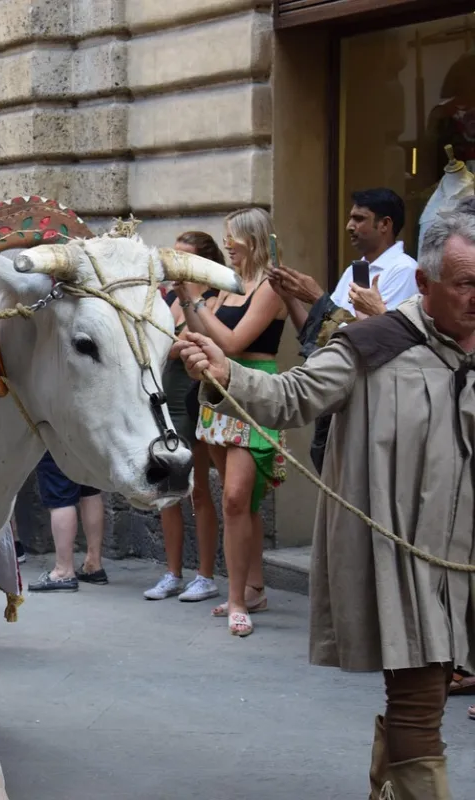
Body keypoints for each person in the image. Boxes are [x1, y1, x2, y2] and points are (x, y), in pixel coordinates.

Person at [175, 196, 475, 798]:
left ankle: (384, 785)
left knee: (435, 692)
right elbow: (293, 396)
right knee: (420, 706)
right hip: (411, 558)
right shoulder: (374, 343)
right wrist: (228, 373)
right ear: (424, 280)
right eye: (466, 283)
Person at [172, 208, 288, 637]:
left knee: (236, 498)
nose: (226, 247)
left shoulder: (270, 285)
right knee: (241, 502)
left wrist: (198, 301)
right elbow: (199, 331)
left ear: (252, 240)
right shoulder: (227, 286)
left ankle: (238, 599)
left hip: (254, 388)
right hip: (217, 393)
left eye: (231, 239)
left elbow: (235, 341)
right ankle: (253, 587)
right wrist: (187, 296)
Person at [271, 188, 420, 472]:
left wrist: (317, 298)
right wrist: (289, 297)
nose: (350, 226)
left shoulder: (404, 270)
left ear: (385, 224)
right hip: (334, 398)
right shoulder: (356, 270)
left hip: (370, 402)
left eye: (359, 218)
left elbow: (374, 339)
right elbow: (321, 337)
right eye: (351, 218)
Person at [145, 231, 222, 603]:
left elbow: (198, 342)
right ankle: (172, 572)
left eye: (182, 257)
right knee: (168, 489)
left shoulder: (210, 297)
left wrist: (168, 345)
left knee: (200, 491)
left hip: (193, 399)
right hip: (164, 399)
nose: (173, 263)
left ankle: (205, 575)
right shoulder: (170, 297)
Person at [27, 451, 107, 591]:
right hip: (87, 435)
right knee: (90, 490)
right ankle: (93, 564)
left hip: (59, 435)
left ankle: (63, 572)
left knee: (58, 493)